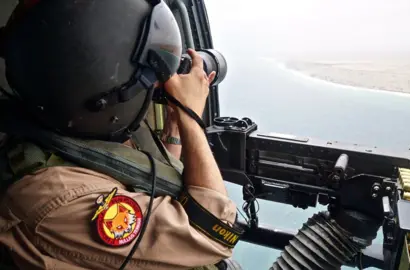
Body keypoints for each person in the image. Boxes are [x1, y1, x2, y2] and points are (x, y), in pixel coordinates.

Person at [0, 0, 240, 269]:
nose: (160, 83)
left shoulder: (70, 129)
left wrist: (174, 129)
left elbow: (144, 186)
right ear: (104, 88)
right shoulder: (55, 196)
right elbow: (212, 233)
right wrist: (191, 117)